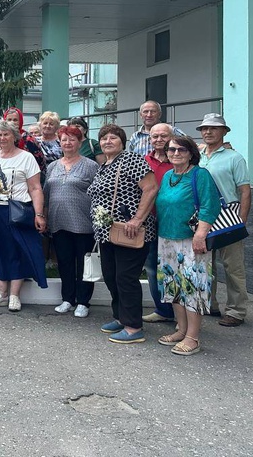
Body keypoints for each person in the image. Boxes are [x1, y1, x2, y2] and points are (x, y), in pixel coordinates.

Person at [88, 124, 158, 344]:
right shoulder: (105, 165)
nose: (107, 141)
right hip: (108, 232)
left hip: (129, 231)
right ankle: (120, 316)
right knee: (111, 275)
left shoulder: (132, 160)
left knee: (126, 278)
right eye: (104, 138)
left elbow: (151, 188)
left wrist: (137, 219)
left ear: (123, 142)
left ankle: (133, 327)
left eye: (113, 138)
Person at [154, 135, 219, 356]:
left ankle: (193, 337)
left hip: (191, 240)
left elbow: (210, 206)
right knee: (173, 285)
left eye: (181, 150)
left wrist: (201, 235)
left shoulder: (200, 175)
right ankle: (181, 330)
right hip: (167, 238)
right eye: (171, 150)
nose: (175, 153)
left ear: (191, 153)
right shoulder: (168, 176)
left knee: (192, 286)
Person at [0, 120, 47, 312]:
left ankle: (14, 295)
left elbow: (35, 188)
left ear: (14, 136)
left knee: (17, 250)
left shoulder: (26, 158)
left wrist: (39, 214)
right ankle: (1, 293)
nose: (2, 138)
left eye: (6, 134)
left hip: (17, 211)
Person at [197, 113, 251, 327]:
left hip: (228, 216)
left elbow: (245, 191)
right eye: (204, 128)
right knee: (205, 265)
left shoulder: (234, 158)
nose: (208, 131)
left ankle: (236, 311)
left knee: (233, 267)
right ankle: (209, 304)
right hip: (202, 217)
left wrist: (241, 221)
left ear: (224, 132)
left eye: (214, 128)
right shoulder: (197, 156)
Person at [43, 125, 99, 318]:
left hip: (83, 223)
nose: (68, 143)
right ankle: (68, 299)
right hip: (58, 222)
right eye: (64, 139)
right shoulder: (52, 166)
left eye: (72, 139)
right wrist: (44, 215)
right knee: (64, 262)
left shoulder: (90, 166)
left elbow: (98, 194)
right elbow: (46, 194)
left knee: (84, 264)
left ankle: (83, 301)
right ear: (60, 142)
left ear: (80, 142)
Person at [141, 123, 176, 323]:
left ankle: (180, 313)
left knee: (175, 267)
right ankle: (162, 310)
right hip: (150, 220)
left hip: (174, 221)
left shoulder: (179, 159)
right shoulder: (143, 161)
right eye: (155, 136)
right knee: (153, 267)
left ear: (171, 137)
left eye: (164, 136)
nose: (159, 139)